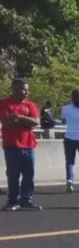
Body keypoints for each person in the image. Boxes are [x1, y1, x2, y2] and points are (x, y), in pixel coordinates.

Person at [0, 78, 42, 211]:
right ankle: (13, 201)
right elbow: (6, 122)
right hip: (12, 145)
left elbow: (35, 122)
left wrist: (22, 119)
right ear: (14, 89)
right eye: (23, 89)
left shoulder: (30, 105)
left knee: (29, 174)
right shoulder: (4, 104)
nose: (26, 92)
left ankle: (26, 200)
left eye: (27, 90)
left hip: (29, 145)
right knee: (13, 175)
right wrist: (24, 123)